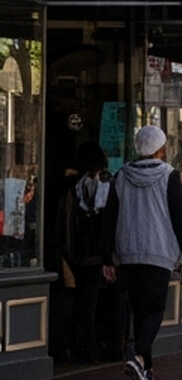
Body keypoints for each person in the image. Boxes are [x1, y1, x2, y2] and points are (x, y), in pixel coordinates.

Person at [102, 124, 182, 380]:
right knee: (153, 309)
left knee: (139, 308)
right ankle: (139, 357)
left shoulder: (120, 176)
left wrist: (108, 256)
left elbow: (109, 218)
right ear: (162, 149)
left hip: (127, 251)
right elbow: (180, 217)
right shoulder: (170, 176)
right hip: (159, 250)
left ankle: (147, 369)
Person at [52, 143, 114, 364]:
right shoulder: (108, 184)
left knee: (77, 302)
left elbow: (63, 225)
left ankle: (76, 343)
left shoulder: (71, 187)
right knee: (94, 302)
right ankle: (93, 344)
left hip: (74, 253)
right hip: (98, 255)